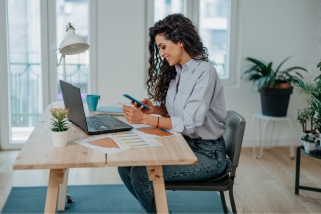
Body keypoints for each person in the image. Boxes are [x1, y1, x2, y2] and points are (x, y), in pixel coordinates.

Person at [118, 13, 227, 213]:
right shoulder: (178, 72)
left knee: (141, 174)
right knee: (125, 166)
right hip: (183, 144)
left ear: (179, 41)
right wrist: (156, 110)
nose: (161, 54)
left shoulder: (205, 72)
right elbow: (178, 112)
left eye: (163, 47)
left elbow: (189, 123)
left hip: (208, 155)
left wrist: (146, 119)